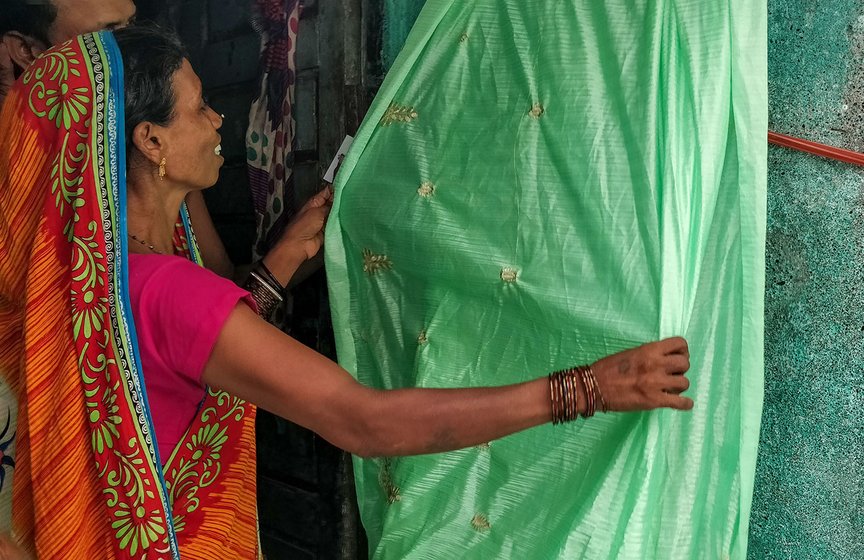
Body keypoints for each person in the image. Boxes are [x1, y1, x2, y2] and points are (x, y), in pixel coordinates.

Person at [0, 26, 692, 558]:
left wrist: (278, 265)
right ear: (150, 141)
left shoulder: (92, 288)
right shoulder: (171, 291)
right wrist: (587, 389)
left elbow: (181, 363)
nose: (217, 122)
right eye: (200, 106)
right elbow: (364, 422)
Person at [0, 0, 314, 298]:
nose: (137, 48)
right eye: (109, 36)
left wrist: (317, 240)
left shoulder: (166, 162)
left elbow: (218, 293)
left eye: (132, 24)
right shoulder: (18, 188)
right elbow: (203, 323)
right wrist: (291, 253)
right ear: (27, 51)